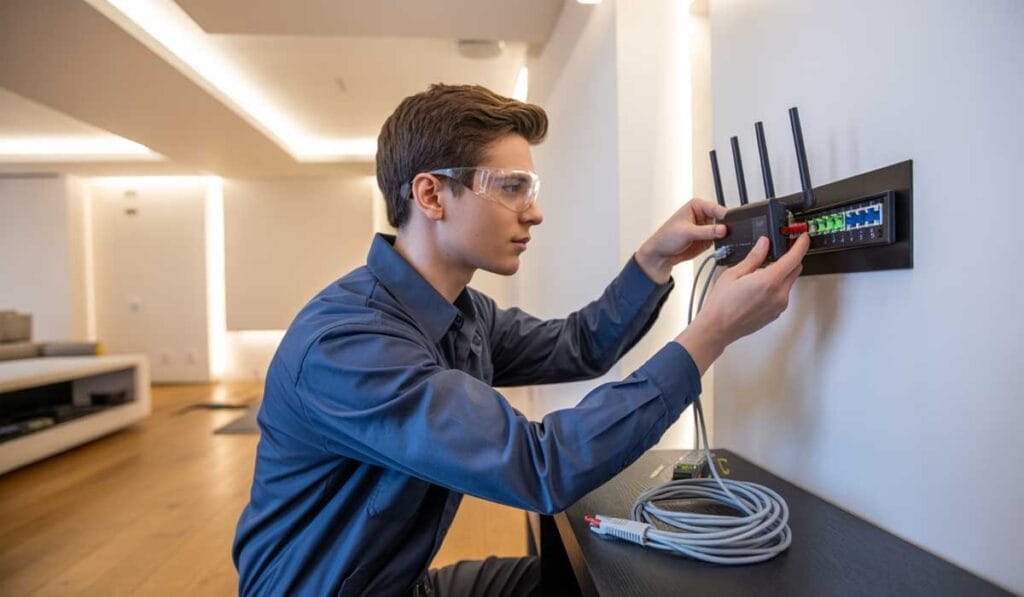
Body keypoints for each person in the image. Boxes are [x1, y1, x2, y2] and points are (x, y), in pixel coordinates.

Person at [232, 83, 809, 596]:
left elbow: (579, 345)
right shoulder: (347, 345)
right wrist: (713, 333)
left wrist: (653, 261)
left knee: (587, 579)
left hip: (401, 584)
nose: (534, 213)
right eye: (512, 188)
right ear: (431, 196)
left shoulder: (461, 313)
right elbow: (539, 467)